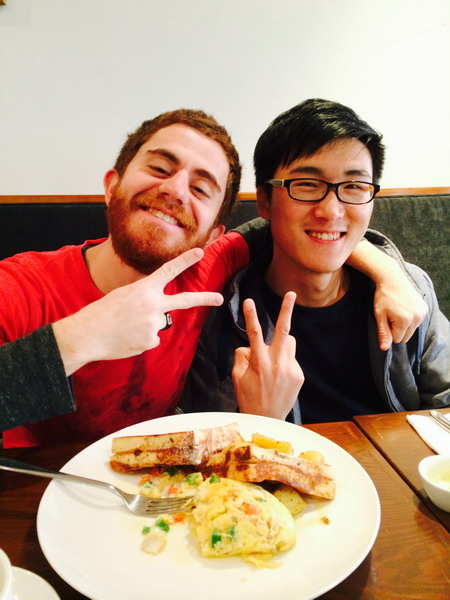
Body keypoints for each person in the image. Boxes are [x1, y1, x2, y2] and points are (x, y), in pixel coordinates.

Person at [0, 108, 427, 446]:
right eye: (161, 168)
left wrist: (390, 272)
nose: (176, 190)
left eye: (202, 188)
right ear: (112, 184)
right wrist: (83, 335)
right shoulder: (20, 286)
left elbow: (307, 228)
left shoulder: (207, 268)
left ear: (215, 232)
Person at [183, 99, 450, 423]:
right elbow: (212, 442)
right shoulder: (221, 313)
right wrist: (261, 419)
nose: (331, 211)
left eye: (353, 186)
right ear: (265, 201)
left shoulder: (410, 292)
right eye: (307, 185)